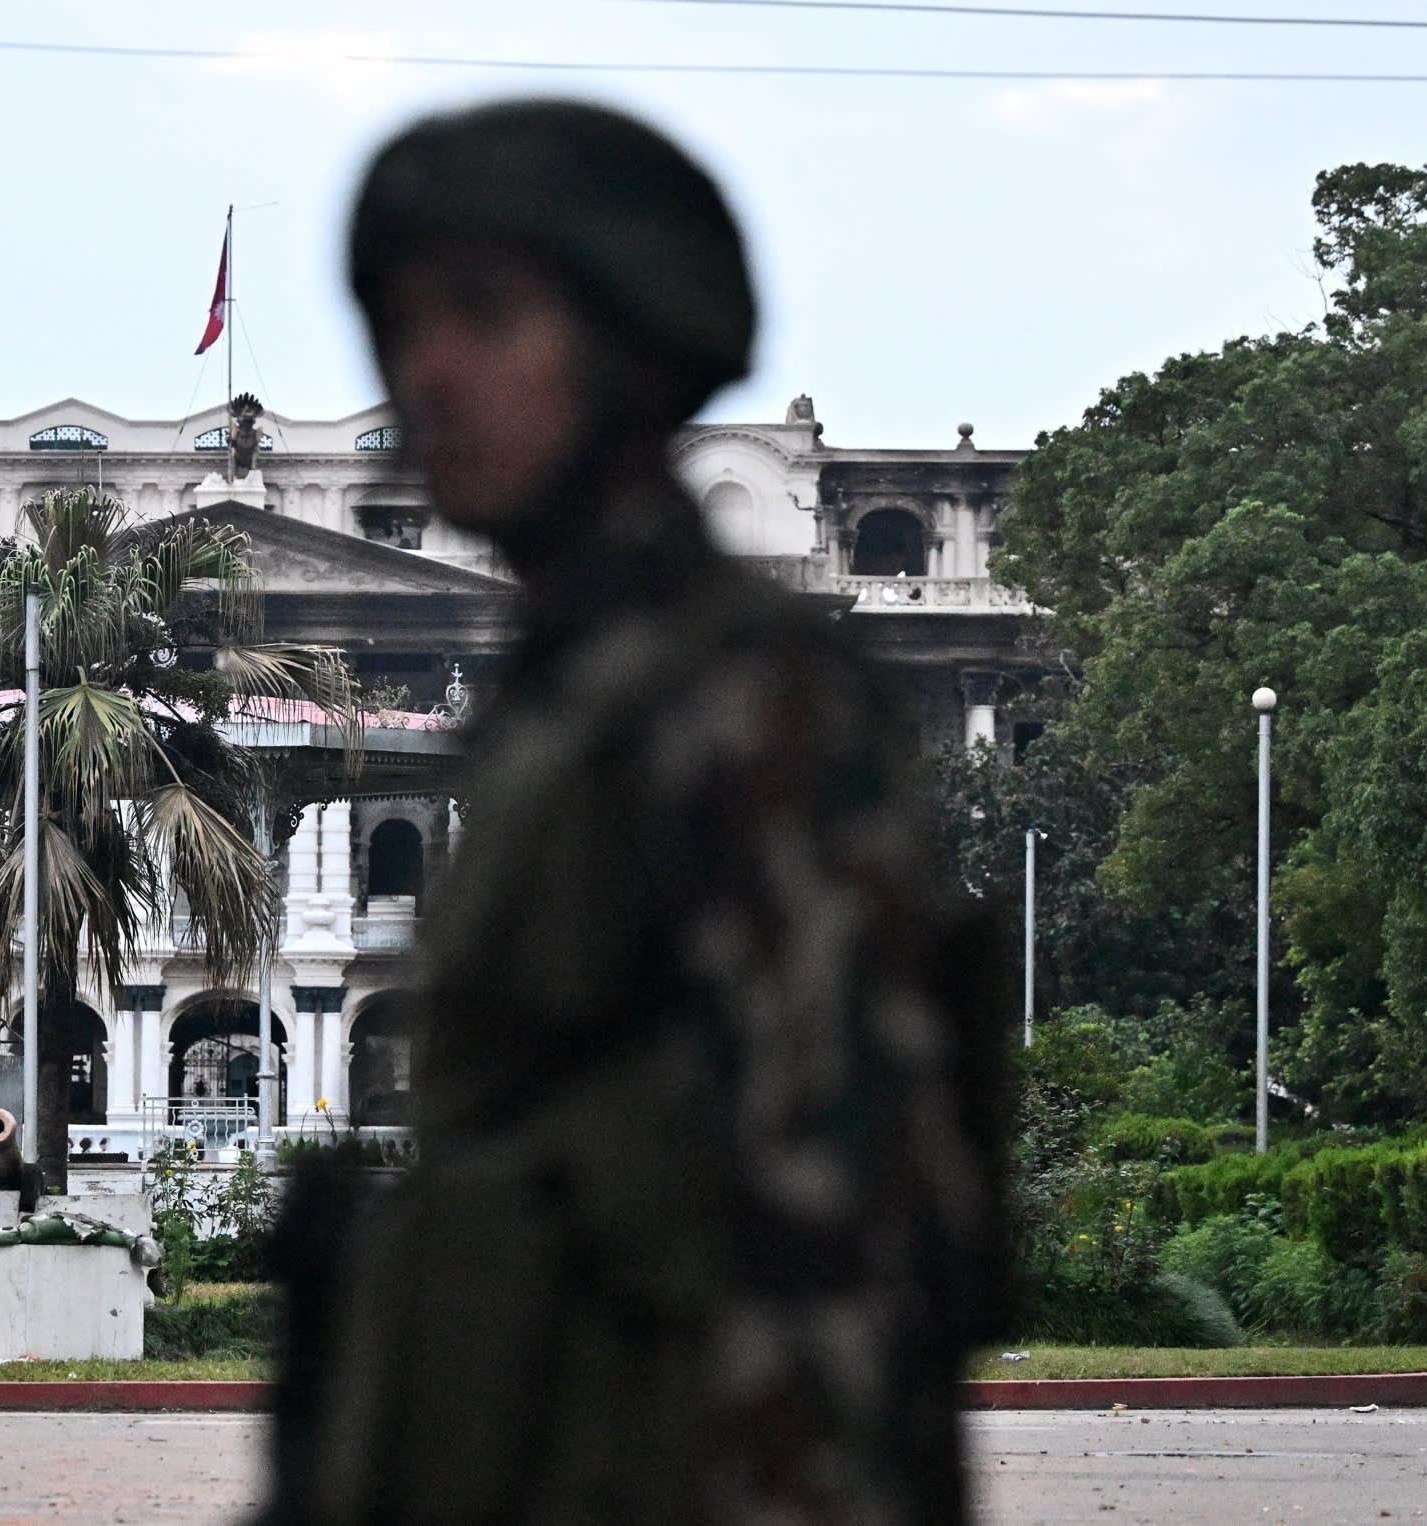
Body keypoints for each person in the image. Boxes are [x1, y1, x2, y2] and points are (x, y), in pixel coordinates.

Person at [263, 100, 1010, 1525]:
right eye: (400, 323)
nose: (427, 371)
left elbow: (828, 1215)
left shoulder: (740, 693)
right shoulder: (571, 689)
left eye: (486, 315)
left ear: (633, 339)